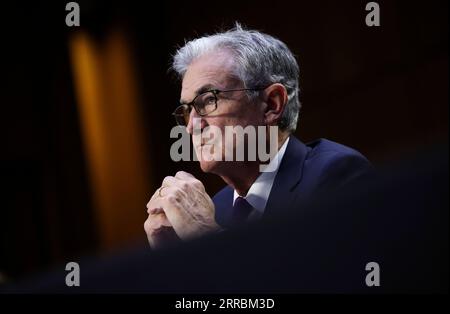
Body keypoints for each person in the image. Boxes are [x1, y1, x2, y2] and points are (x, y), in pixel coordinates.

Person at [144, 23, 373, 249]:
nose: (192, 126)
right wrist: (175, 260)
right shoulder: (216, 208)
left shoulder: (335, 176)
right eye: (187, 110)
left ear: (271, 104)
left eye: (210, 100)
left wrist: (208, 238)